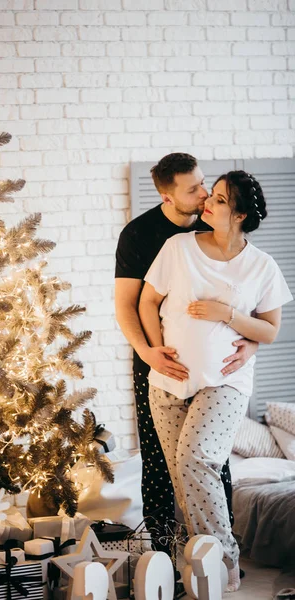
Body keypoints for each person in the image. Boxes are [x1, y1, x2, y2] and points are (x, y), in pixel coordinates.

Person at [138, 169, 293, 592]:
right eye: (213, 195)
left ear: (240, 214)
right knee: (183, 477)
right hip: (167, 384)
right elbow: (147, 301)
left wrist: (228, 315)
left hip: (225, 383)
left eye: (220, 200)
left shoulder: (261, 265)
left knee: (197, 460)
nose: (208, 201)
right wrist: (155, 349)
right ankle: (199, 565)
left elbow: (270, 330)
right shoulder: (178, 247)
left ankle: (223, 561)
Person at [114, 154, 257, 591]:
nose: (202, 195)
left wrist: (251, 341)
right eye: (193, 190)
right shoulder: (142, 235)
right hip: (159, 364)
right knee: (160, 462)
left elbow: (246, 300)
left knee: (210, 460)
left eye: (205, 187)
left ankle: (216, 554)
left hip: (217, 373)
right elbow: (129, 304)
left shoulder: (214, 227)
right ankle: (165, 558)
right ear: (166, 195)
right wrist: (149, 353)